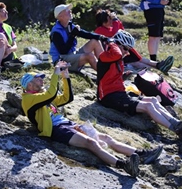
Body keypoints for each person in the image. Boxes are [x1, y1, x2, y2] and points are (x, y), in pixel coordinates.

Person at [20, 61, 163, 178]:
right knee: (91, 143)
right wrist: (55, 75)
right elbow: (51, 94)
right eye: (37, 78)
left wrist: (66, 77)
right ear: (30, 85)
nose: (41, 79)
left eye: (41, 77)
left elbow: (66, 98)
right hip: (56, 130)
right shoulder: (28, 99)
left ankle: (142, 154)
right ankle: (124, 165)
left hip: (67, 124)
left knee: (106, 138)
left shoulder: (42, 95)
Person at [97, 29, 182, 141]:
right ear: (117, 45)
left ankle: (178, 123)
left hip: (120, 94)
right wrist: (112, 42)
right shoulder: (106, 56)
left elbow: (137, 58)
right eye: (125, 48)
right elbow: (117, 53)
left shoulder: (119, 57)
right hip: (108, 97)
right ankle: (177, 131)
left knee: (153, 100)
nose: (127, 52)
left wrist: (126, 47)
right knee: (148, 106)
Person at [95, 9, 174, 74]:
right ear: (103, 21)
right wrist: (115, 21)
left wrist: (117, 20)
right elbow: (114, 34)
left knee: (138, 58)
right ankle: (157, 68)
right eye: (109, 20)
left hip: (119, 53)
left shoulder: (109, 28)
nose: (111, 22)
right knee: (137, 62)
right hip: (112, 56)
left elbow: (121, 31)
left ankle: (158, 65)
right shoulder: (99, 30)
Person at [49, 4, 107, 72]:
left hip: (72, 55)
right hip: (61, 61)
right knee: (89, 56)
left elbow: (86, 34)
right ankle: (106, 74)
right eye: (67, 10)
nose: (70, 11)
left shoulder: (69, 26)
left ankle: (107, 67)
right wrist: (73, 35)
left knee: (95, 41)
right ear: (60, 16)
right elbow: (63, 51)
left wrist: (102, 37)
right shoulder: (56, 32)